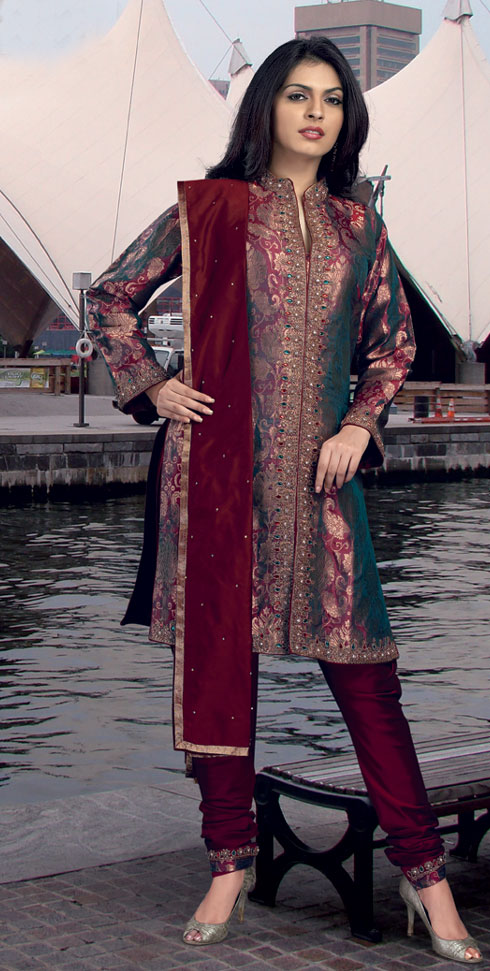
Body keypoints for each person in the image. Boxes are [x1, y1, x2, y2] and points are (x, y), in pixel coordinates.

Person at [86, 37, 482, 962]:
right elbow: (109, 297)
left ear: (348, 117)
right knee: (221, 668)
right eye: (299, 95)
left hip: (324, 479)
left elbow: (391, 346)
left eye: (333, 99)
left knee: (368, 676)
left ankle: (424, 875)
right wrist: (154, 384)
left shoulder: (359, 226)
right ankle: (228, 860)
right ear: (265, 104)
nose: (316, 113)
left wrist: (360, 425)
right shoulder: (212, 209)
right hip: (217, 475)